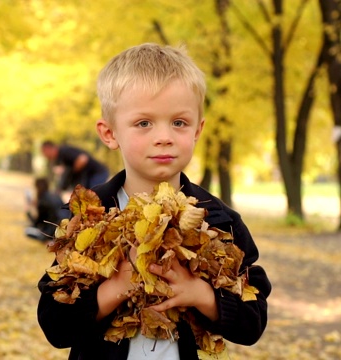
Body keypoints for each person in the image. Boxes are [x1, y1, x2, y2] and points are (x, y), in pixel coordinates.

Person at [37, 43, 271, 359]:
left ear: (198, 129)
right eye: (144, 123)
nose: (164, 136)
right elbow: (55, 324)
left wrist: (203, 295)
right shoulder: (87, 219)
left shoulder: (220, 221)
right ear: (109, 133)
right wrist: (115, 286)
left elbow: (252, 322)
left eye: (179, 122)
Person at [41, 140, 109, 191]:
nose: (45, 155)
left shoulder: (64, 151)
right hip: (90, 176)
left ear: (48, 149)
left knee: (94, 194)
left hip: (97, 173)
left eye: (44, 152)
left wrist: (72, 171)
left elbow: (83, 159)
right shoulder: (59, 158)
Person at [24, 177, 69, 241]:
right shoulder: (55, 195)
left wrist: (28, 212)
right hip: (66, 227)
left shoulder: (42, 202)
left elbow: (37, 223)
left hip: (53, 232)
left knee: (27, 230)